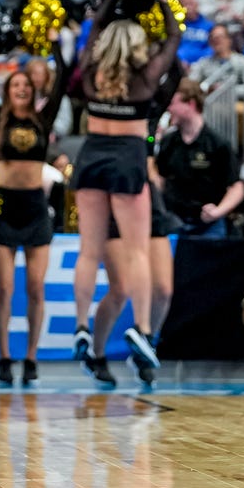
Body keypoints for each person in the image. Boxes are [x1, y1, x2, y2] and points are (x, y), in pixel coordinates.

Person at [70, 0, 181, 381]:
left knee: (88, 250)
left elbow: (93, 32)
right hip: (128, 157)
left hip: (91, 153)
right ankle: (143, 329)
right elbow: (174, 39)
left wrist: (111, 3)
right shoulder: (146, 76)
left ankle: (82, 325)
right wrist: (163, 0)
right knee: (138, 252)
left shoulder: (92, 70)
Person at [0, 35, 70, 386]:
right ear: (7, 89)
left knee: (36, 287)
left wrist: (55, 44)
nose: (21, 89)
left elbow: (61, 85)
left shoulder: (43, 120)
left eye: (26, 84)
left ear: (32, 88)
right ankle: (3, 356)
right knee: (4, 288)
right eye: (15, 84)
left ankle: (30, 357)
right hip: (3, 206)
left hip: (34, 207)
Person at [96, 56, 184, 387]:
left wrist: (158, 29)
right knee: (121, 289)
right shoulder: (99, 103)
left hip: (146, 195)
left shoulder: (147, 103)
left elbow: (174, 73)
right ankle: (97, 352)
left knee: (163, 288)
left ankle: (146, 342)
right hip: (111, 192)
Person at [156, 79, 244, 240]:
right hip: (174, 222)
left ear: (190, 104)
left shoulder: (217, 143)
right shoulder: (168, 142)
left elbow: (236, 187)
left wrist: (218, 211)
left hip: (208, 225)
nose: (169, 109)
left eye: (173, 103)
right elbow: (159, 178)